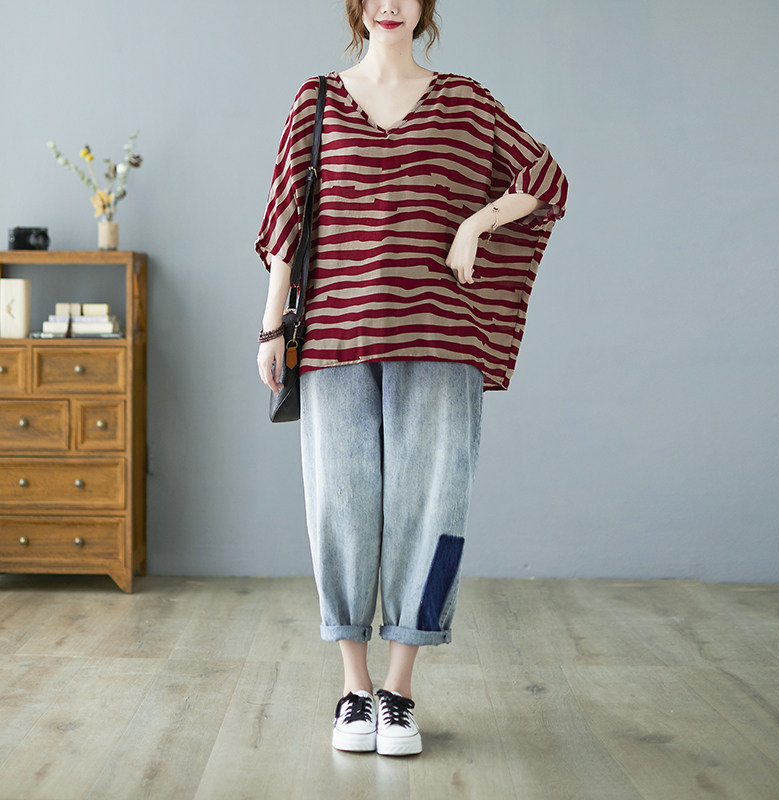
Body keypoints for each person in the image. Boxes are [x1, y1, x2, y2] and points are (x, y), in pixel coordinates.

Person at [256, 0, 567, 757]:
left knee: (434, 508)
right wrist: (271, 326)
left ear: (426, 6)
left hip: (440, 335)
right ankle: (352, 688)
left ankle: (398, 691)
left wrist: (475, 224)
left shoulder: (466, 101)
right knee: (340, 507)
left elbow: (545, 179)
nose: (389, 4)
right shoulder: (317, 99)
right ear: (358, 8)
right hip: (334, 336)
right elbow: (288, 217)